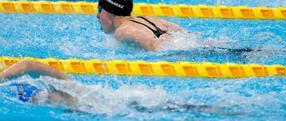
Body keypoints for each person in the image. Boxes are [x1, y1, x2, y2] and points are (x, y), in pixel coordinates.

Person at [0, 60, 241, 115]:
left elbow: (29, 64)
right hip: (93, 107)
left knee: (162, 109)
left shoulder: (6, 82)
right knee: (160, 109)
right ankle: (216, 110)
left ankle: (218, 111)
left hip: (96, 104)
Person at [97, 0, 185, 51]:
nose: (97, 15)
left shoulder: (123, 31)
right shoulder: (147, 19)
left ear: (109, 11)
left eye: (100, 9)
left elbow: (158, 48)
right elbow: (185, 34)